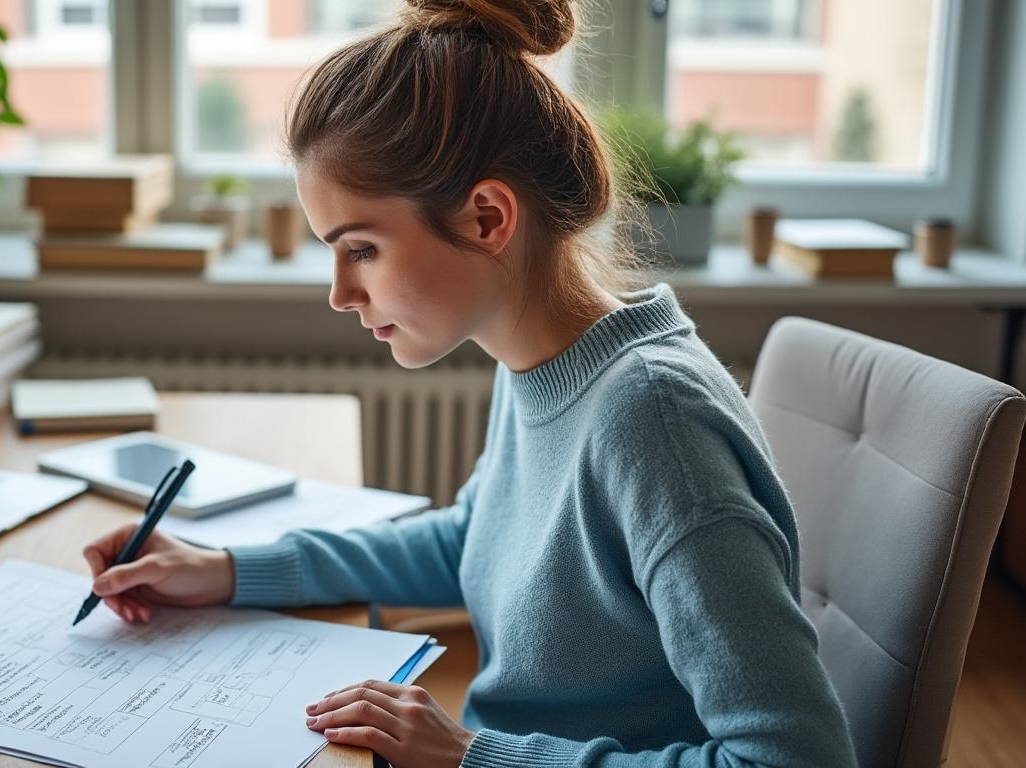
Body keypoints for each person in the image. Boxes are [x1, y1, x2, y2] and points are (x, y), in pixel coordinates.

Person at [82, 1, 858, 766]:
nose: (340, 295)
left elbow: (795, 759)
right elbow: (472, 542)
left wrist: (471, 756)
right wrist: (228, 570)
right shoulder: (542, 360)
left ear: (487, 218)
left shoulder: (652, 423)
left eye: (362, 250)